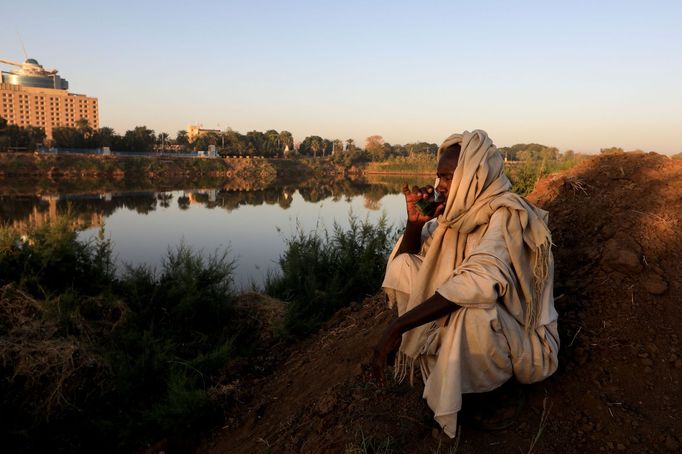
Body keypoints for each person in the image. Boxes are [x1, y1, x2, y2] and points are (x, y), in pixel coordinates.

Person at [370, 130, 559, 437]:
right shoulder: (453, 218)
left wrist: (397, 327)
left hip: (521, 341)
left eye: (447, 177)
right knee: (406, 265)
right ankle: (444, 371)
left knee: (472, 312)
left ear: (474, 175)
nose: (439, 186)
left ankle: (494, 396)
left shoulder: (507, 214)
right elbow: (400, 269)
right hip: (475, 329)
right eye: (438, 177)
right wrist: (414, 226)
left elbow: (479, 282)